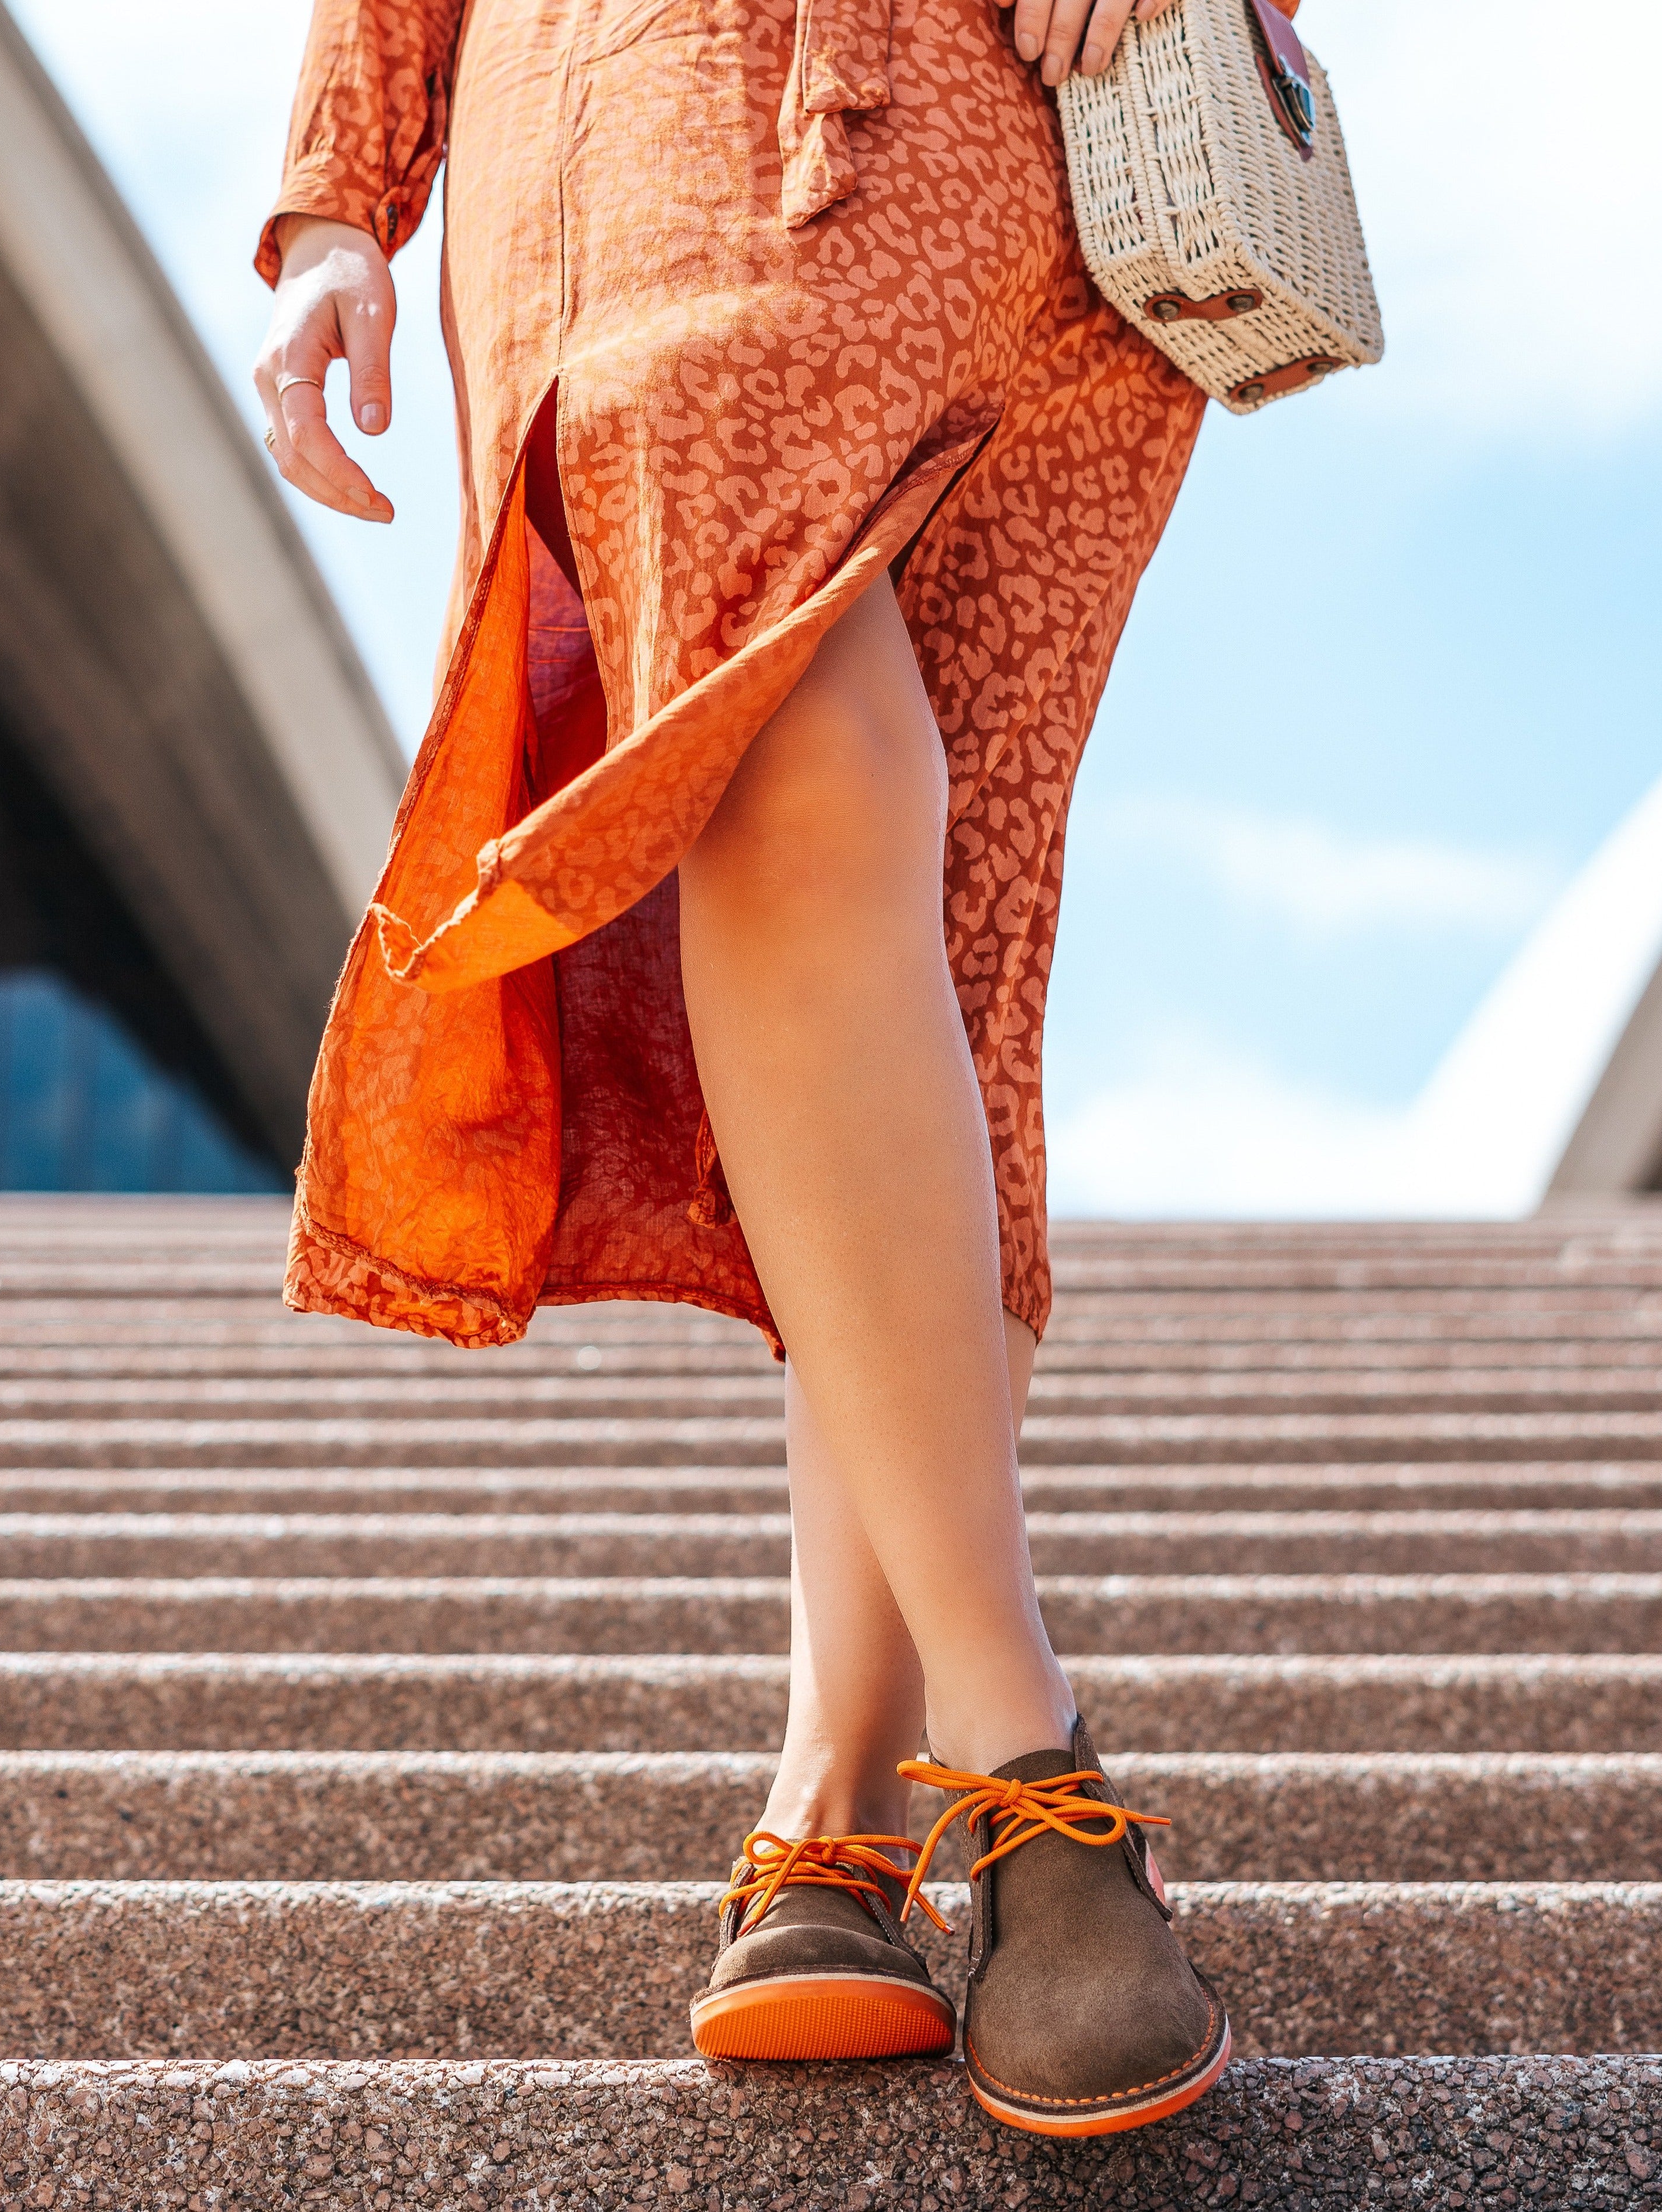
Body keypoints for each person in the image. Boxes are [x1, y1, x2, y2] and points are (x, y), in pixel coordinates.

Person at [254, 0, 1244, 2138]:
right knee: (787, 753)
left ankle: (835, 1817)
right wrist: (343, 193)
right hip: (655, 90)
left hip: (1042, 156)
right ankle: (1030, 1775)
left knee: (948, 939)